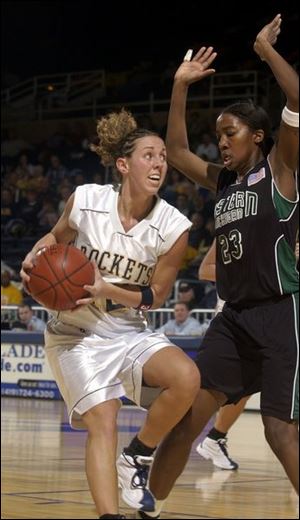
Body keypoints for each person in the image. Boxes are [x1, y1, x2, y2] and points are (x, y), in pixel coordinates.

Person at [122, 15, 299, 519]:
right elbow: (177, 152)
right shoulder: (222, 182)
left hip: (282, 312)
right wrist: (179, 86)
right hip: (234, 319)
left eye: (231, 133)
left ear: (259, 136)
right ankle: (147, 508)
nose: (221, 142)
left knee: (279, 428)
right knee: (188, 416)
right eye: (218, 134)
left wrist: (265, 50)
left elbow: (298, 99)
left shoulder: (281, 169)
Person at [20, 108, 200, 520]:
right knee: (105, 417)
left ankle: (136, 457)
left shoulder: (173, 225)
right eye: (149, 155)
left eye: (162, 157)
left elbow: (155, 295)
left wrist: (107, 289)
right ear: (123, 164)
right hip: (76, 333)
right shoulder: (86, 199)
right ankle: (109, 516)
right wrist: (37, 250)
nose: (159, 163)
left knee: (186, 378)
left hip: (128, 327)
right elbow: (56, 236)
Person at [195, 238, 249, 470]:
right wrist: (256, 272)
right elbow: (205, 271)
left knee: (247, 386)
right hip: (233, 317)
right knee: (209, 391)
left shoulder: (283, 223)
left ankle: (215, 438)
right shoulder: (234, 217)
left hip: (264, 317)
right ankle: (148, 445)